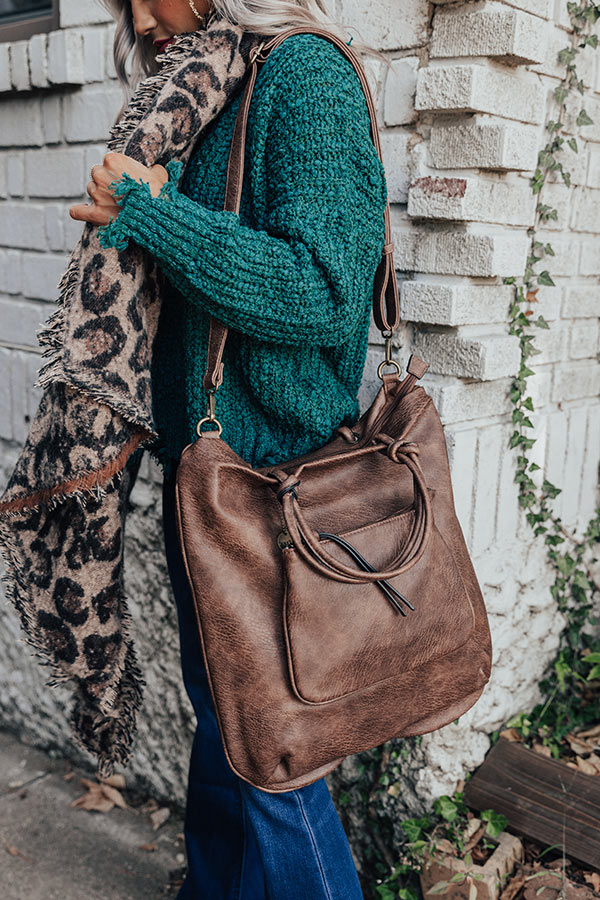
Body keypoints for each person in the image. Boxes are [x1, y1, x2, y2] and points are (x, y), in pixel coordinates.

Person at [69, 0, 390, 897]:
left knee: (272, 754)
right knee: (222, 725)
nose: (139, 14)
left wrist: (150, 216)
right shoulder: (201, 86)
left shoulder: (302, 75)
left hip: (271, 487)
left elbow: (323, 288)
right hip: (204, 481)